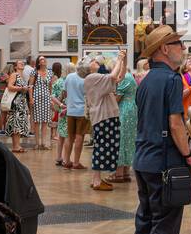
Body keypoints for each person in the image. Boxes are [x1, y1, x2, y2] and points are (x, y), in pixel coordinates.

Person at [130, 25, 191, 234]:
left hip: (143, 159)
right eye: (178, 43)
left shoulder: (144, 81)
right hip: (164, 160)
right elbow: (175, 122)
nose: (182, 48)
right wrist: (189, 156)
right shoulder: (171, 80)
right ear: (164, 49)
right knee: (164, 223)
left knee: (145, 220)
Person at [84, 50, 128, 191]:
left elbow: (120, 76)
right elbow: (114, 75)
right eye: (94, 61)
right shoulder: (91, 78)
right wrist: (120, 59)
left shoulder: (98, 78)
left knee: (105, 147)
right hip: (103, 117)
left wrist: (124, 59)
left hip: (107, 116)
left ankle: (95, 179)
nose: (97, 62)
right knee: (101, 148)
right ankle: (97, 180)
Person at [60, 61, 90, 169]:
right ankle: (76, 162)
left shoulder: (69, 77)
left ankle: (66, 161)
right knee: (79, 137)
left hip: (70, 110)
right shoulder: (86, 79)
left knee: (69, 137)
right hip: (82, 111)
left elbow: (64, 93)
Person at [113, 61, 139, 184]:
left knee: (120, 139)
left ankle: (118, 174)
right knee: (129, 140)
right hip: (132, 109)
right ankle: (126, 172)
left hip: (123, 109)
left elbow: (116, 99)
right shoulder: (131, 77)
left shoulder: (124, 78)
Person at [4, 57, 32, 152]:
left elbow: (23, 91)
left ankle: (17, 145)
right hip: (16, 103)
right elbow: (10, 86)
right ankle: (15, 146)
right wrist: (21, 89)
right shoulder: (14, 75)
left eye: (22, 63)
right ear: (15, 66)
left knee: (20, 124)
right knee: (15, 123)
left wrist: (27, 106)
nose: (22, 64)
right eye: (20, 63)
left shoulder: (23, 77)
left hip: (22, 103)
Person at [30, 55, 53, 149]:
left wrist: (51, 98)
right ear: (38, 62)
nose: (43, 60)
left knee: (45, 121)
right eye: (41, 59)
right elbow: (30, 86)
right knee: (36, 121)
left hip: (46, 98)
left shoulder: (50, 72)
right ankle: (37, 143)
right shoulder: (34, 72)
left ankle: (43, 143)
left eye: (44, 59)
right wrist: (31, 98)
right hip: (36, 98)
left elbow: (50, 86)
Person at [50, 62, 68, 164]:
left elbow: (52, 96)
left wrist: (60, 105)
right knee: (68, 137)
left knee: (61, 135)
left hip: (62, 110)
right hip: (70, 110)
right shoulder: (70, 81)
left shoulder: (58, 81)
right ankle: (66, 159)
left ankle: (59, 157)